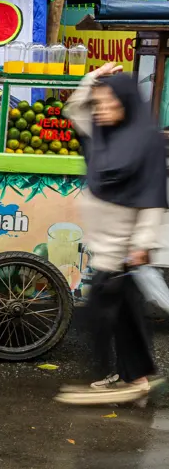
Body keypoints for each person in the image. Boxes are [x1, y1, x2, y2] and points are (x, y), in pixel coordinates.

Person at [55, 62, 167, 406]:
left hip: (124, 248)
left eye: (110, 104)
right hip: (105, 245)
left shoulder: (146, 144)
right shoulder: (102, 134)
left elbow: (152, 200)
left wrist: (140, 246)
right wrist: (92, 80)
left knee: (111, 314)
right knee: (116, 315)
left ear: (128, 104)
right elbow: (73, 108)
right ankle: (132, 379)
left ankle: (132, 379)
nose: (102, 110)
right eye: (100, 103)